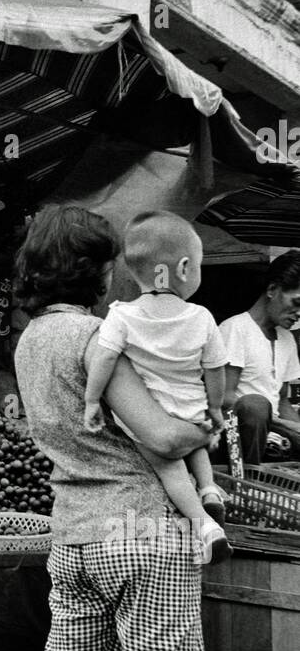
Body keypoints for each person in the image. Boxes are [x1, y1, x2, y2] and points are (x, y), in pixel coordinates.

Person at [13, 204, 241, 651]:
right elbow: (162, 433)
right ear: (98, 267)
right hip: (142, 535)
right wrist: (211, 424)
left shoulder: (31, 339)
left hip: (74, 536)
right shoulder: (95, 333)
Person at [83, 212, 230, 563]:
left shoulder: (121, 315)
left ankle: (205, 526)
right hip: (192, 409)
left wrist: (91, 400)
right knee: (197, 444)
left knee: (169, 468)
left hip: (152, 414)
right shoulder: (202, 317)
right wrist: (215, 407)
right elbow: (215, 369)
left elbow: (103, 360)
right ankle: (209, 489)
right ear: (182, 269)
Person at [219, 251, 300, 464]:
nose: (299, 313)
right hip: (235, 438)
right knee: (255, 406)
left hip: (273, 437)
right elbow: (224, 398)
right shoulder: (235, 329)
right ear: (273, 290)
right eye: (297, 302)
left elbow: (282, 400)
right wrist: (280, 425)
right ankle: (248, 484)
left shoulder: (286, 339)